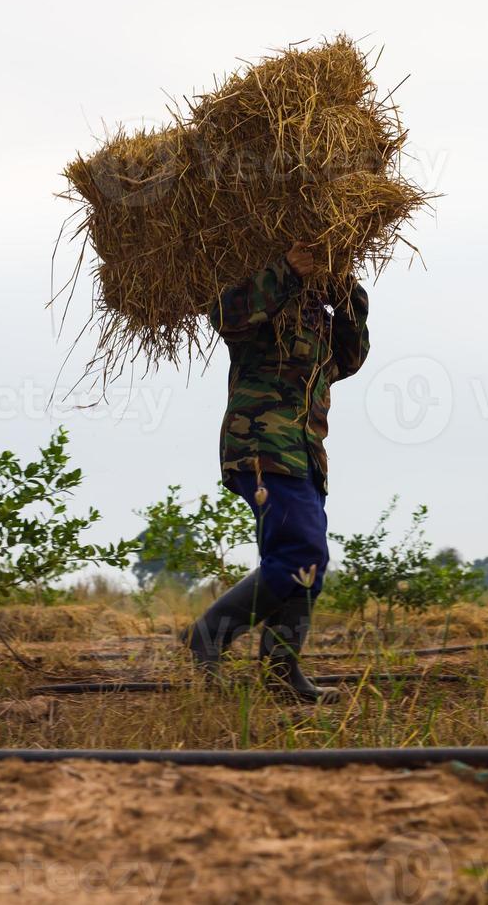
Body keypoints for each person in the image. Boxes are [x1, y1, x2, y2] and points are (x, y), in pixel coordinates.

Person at [181, 241, 370, 702]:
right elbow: (227, 316)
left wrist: (347, 292)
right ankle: (209, 635)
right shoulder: (257, 293)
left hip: (304, 454)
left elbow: (350, 358)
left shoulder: (318, 315)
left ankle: (281, 672)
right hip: (260, 445)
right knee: (299, 553)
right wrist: (286, 269)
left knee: (309, 564)